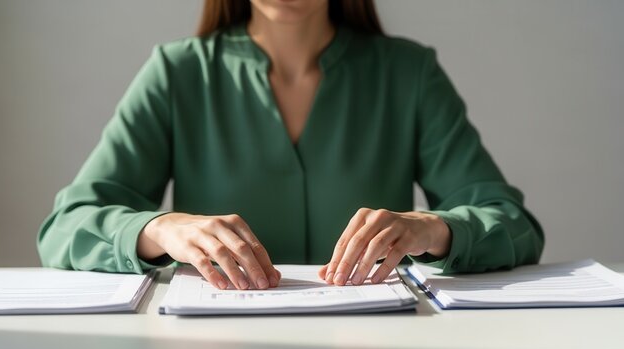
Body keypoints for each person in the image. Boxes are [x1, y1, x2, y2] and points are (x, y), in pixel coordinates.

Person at [37, 0, 544, 290]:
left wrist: (433, 228)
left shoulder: (409, 74)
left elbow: (512, 223)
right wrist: (161, 228)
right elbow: (66, 225)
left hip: (377, 344)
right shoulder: (177, 72)